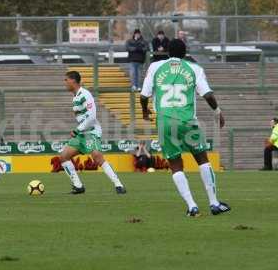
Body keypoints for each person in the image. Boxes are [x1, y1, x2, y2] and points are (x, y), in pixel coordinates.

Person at [140, 39, 231, 217]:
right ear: (185, 53)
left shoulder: (155, 67)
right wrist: (218, 111)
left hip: (165, 121)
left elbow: (144, 96)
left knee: (175, 165)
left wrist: (145, 112)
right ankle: (214, 203)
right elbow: (208, 95)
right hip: (188, 120)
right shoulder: (195, 68)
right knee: (203, 160)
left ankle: (192, 206)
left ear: (167, 52)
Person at [60, 71, 126, 194]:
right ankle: (78, 186)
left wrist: (77, 129)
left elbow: (92, 117)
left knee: (97, 157)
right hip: (82, 133)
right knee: (64, 157)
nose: (65, 82)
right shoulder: (75, 97)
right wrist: (79, 129)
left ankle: (119, 185)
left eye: (66, 80)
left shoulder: (85, 94)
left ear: (73, 81)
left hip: (91, 131)